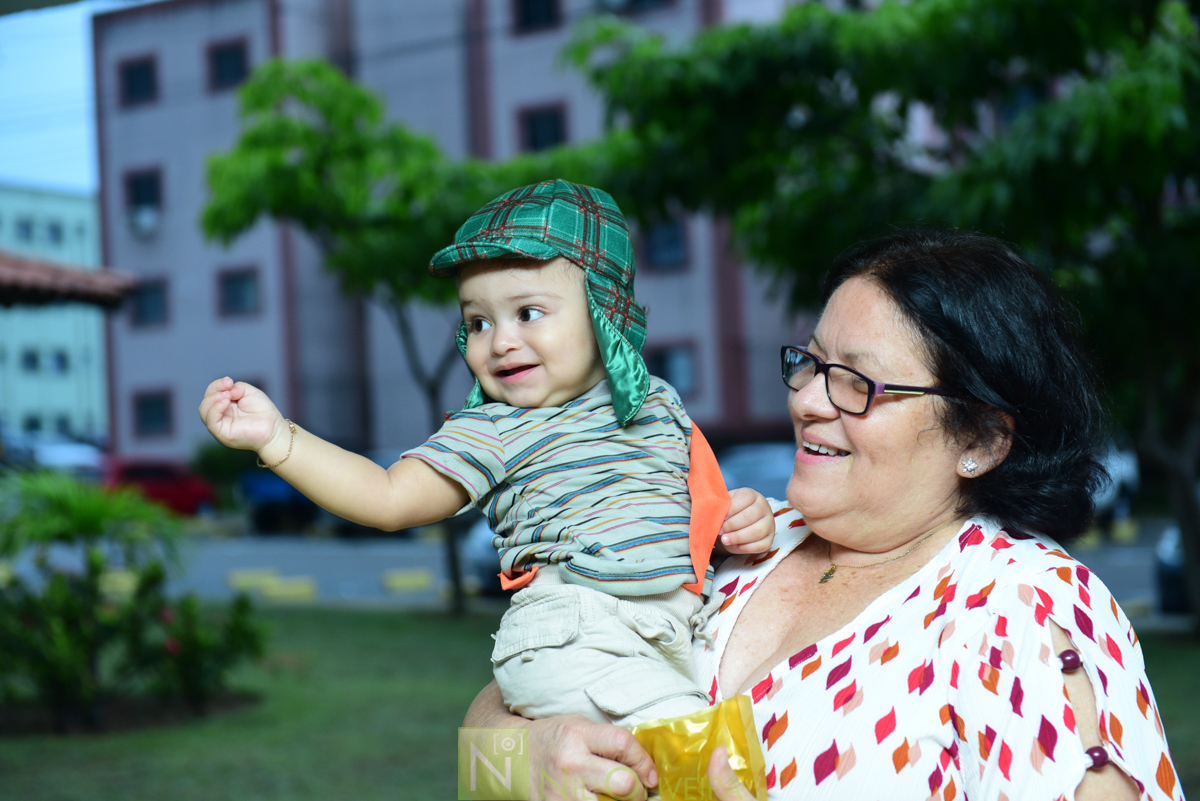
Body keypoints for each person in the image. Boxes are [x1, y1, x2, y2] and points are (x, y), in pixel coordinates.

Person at [465, 230, 1182, 801]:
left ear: (980, 438)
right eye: (809, 363)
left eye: (857, 383)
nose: (808, 399)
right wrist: (520, 755)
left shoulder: (1025, 608)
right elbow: (506, 698)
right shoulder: (738, 535)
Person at [199, 179, 775, 728]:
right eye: (477, 321)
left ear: (602, 312)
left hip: (668, 638)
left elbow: (701, 511)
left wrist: (742, 522)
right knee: (702, 758)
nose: (498, 341)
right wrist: (277, 438)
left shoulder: (658, 405)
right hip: (576, 633)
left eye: (528, 313)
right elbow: (387, 496)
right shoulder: (497, 427)